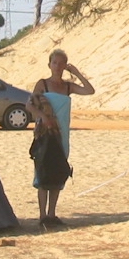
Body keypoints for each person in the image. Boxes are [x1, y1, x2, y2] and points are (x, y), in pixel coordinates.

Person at [26, 48, 95, 229]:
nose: (57, 66)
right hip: (45, 133)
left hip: (62, 134)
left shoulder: (67, 87)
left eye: (61, 63)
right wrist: (43, 117)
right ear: (49, 65)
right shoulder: (43, 84)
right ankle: (42, 215)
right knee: (42, 172)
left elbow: (90, 91)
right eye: (55, 63)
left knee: (57, 171)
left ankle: (52, 214)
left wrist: (77, 73)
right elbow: (30, 105)